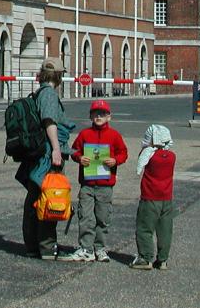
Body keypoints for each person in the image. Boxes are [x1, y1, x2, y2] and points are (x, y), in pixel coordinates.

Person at [15, 58, 76, 260]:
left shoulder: (39, 93)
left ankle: (33, 245)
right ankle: (47, 247)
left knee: (34, 199)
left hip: (38, 155)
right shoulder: (49, 94)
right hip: (47, 156)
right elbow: (49, 121)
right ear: (59, 76)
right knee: (51, 197)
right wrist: (57, 150)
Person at [61, 99, 128, 262]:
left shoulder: (114, 135)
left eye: (102, 114)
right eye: (95, 113)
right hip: (87, 184)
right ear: (90, 116)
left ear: (109, 117)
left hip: (105, 185)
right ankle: (86, 248)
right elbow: (74, 150)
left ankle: (100, 248)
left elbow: (123, 153)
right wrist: (79, 157)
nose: (98, 116)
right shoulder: (85, 134)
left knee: (103, 217)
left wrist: (115, 160)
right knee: (85, 216)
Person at [131, 124, 176, 270]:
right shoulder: (171, 156)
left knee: (145, 228)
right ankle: (162, 259)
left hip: (150, 198)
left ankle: (145, 257)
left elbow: (141, 163)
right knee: (165, 230)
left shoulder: (149, 154)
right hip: (167, 199)